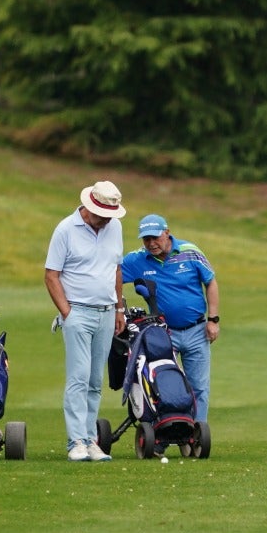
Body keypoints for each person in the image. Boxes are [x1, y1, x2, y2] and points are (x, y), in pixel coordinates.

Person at [45, 181, 127, 461]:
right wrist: (67, 312)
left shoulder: (114, 227)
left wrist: (119, 309)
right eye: (104, 214)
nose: (107, 220)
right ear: (90, 208)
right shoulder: (66, 229)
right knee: (78, 377)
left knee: (94, 379)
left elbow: (116, 269)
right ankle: (75, 441)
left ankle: (91, 439)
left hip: (107, 311)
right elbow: (51, 275)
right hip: (77, 311)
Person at [121, 214, 220, 423]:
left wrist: (213, 319)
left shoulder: (190, 252)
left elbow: (210, 282)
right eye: (146, 239)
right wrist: (117, 308)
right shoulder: (136, 259)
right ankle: (162, 434)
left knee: (199, 387)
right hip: (163, 332)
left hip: (197, 330)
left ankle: (196, 436)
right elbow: (112, 277)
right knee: (163, 383)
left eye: (155, 238)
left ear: (167, 232)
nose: (151, 243)